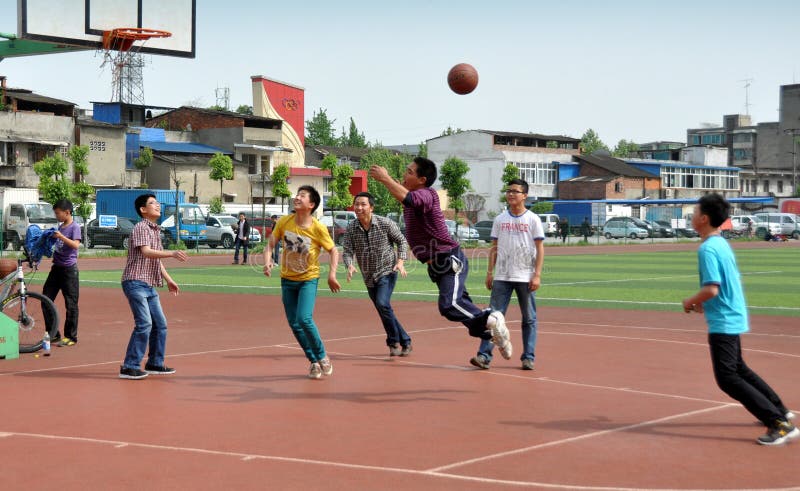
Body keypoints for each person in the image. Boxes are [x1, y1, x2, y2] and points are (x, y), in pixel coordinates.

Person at [682, 193, 797, 445]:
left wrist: (691, 301)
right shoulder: (721, 243)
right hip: (732, 312)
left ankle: (778, 423)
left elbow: (712, 287)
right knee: (739, 369)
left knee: (727, 378)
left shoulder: (708, 249)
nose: (691, 217)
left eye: (694, 213)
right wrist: (703, 302)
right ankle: (780, 410)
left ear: (703, 219)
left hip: (724, 320)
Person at [369, 157, 512, 360]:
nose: (404, 175)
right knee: (463, 307)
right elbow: (402, 196)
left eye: (409, 172)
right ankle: (494, 335)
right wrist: (389, 182)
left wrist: (385, 178)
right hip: (435, 266)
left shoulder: (427, 195)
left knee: (449, 305)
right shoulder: (411, 196)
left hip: (449, 259)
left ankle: (492, 317)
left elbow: (409, 198)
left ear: (422, 179)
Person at [263, 185, 341, 379]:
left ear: (311, 204)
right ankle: (313, 361)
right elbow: (270, 245)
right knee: (294, 323)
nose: (297, 197)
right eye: (297, 194)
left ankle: (322, 356)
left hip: (308, 279)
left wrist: (332, 274)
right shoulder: (284, 222)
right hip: (287, 280)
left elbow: (334, 251)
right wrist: (267, 262)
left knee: (304, 318)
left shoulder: (318, 228)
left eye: (302, 196)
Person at [472, 179, 544, 370]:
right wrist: (489, 272)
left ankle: (528, 357)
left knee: (529, 318)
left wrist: (537, 274)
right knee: (493, 319)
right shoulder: (500, 219)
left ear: (525, 196)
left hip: (525, 276)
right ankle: (484, 356)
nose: (511, 194)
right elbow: (494, 247)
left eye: (515, 191)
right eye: (509, 190)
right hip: (502, 277)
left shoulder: (533, 219)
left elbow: (540, 248)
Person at [119, 193, 188, 380]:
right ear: (143, 210)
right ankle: (129, 365)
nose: (157, 205)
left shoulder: (155, 230)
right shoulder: (142, 227)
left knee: (160, 324)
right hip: (135, 282)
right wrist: (172, 253)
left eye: (157, 202)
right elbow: (147, 252)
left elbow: (156, 259)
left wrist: (168, 279)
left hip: (148, 284)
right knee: (145, 324)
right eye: (152, 203)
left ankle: (155, 363)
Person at [342, 191, 412, 357]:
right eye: (356, 204)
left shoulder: (384, 223)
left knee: (382, 303)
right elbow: (347, 251)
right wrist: (349, 265)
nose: (359, 207)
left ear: (371, 207)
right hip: (368, 275)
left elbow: (402, 241)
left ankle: (393, 342)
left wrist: (400, 262)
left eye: (363, 204)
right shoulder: (352, 227)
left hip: (387, 270)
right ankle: (406, 340)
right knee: (384, 308)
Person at [42, 199, 81, 346]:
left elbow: (76, 245)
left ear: (67, 212)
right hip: (56, 268)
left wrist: (61, 237)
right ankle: (53, 333)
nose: (56, 216)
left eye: (58, 213)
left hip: (69, 270)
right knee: (45, 298)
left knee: (71, 304)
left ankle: (70, 336)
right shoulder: (60, 226)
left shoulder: (74, 227)